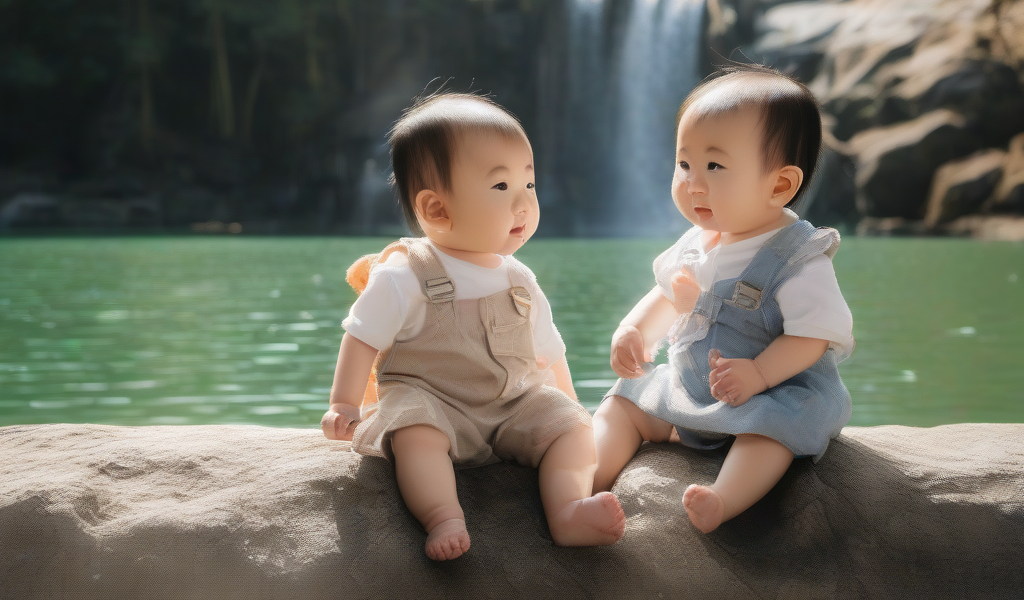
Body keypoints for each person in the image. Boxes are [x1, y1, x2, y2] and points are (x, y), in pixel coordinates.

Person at [321, 93, 625, 560]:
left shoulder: (519, 278)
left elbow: (550, 351)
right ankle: (443, 514)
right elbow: (360, 336)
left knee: (569, 424)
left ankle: (568, 511)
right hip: (432, 399)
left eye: (530, 182)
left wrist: (570, 409)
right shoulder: (404, 273)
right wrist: (344, 403)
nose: (524, 202)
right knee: (415, 433)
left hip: (509, 404)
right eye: (502, 188)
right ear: (437, 210)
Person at [593, 67, 854, 534]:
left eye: (714, 167)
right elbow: (664, 294)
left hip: (773, 394)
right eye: (684, 164)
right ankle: (588, 478)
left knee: (770, 433)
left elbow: (812, 338)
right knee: (626, 400)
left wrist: (759, 374)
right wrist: (634, 331)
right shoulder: (697, 241)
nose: (693, 183)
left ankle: (723, 498)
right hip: (694, 390)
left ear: (778, 186)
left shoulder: (797, 257)